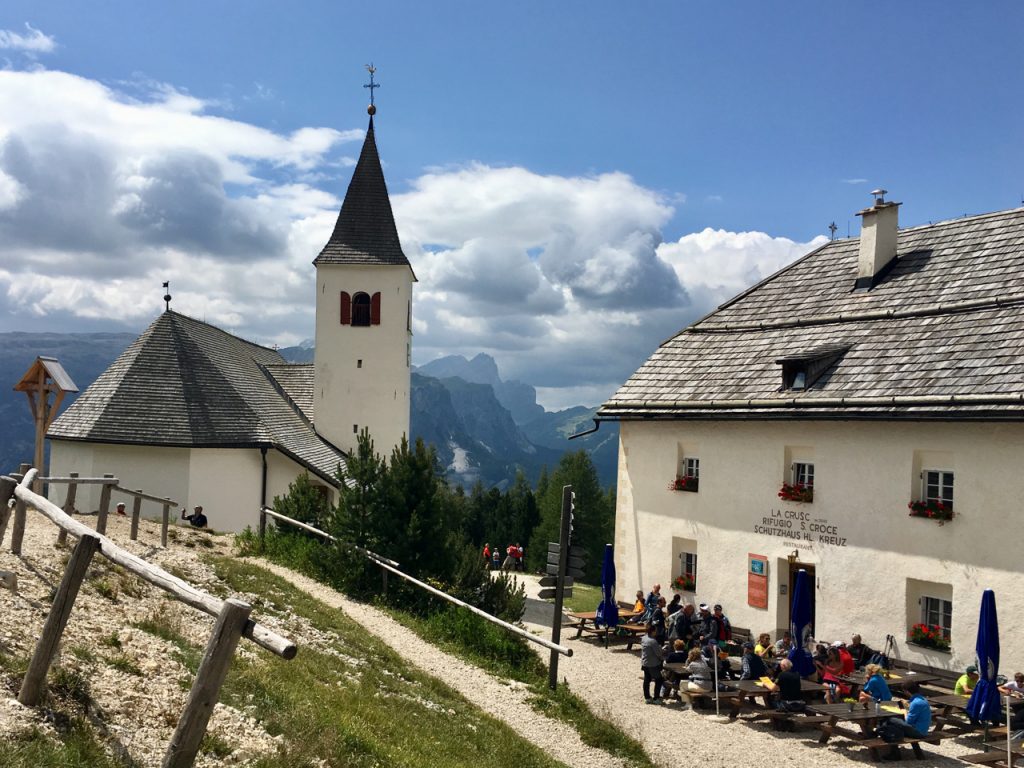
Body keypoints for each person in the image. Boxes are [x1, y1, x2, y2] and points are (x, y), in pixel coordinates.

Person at [882, 681, 931, 761]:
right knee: (893, 724)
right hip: (923, 729)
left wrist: (904, 712)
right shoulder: (922, 699)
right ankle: (895, 753)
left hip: (918, 732)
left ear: (906, 691)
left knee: (891, 721)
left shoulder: (915, 703)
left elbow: (908, 722)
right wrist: (908, 703)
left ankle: (895, 754)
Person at [640, 624, 666, 703]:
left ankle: (647, 698)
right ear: (653, 631)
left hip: (645, 662)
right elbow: (658, 654)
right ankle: (656, 698)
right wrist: (662, 651)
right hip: (653, 664)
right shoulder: (653, 641)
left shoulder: (644, 638)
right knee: (659, 680)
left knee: (647, 680)